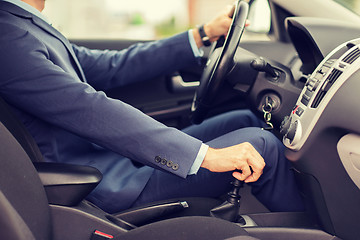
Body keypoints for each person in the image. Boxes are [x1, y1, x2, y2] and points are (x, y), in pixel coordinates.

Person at [0, 0, 304, 214]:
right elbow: (89, 108)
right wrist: (206, 157)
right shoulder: (9, 36)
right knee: (262, 145)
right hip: (98, 181)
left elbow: (110, 66)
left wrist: (201, 35)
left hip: (110, 160)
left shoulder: (24, 24)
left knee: (242, 119)